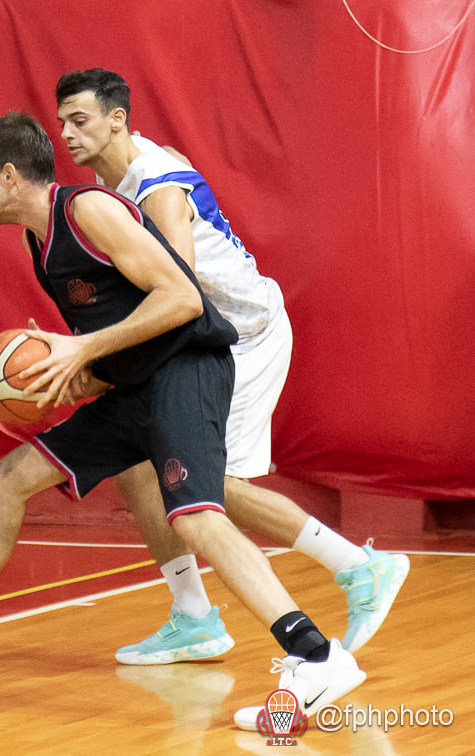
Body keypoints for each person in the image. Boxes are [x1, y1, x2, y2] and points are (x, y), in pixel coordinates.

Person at [0, 112, 366, 730]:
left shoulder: (88, 211)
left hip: (189, 369)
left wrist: (84, 351)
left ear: (12, 175)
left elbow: (182, 299)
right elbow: (107, 338)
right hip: (135, 383)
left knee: (198, 517)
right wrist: (69, 372)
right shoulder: (37, 242)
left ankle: (316, 656)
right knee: (10, 478)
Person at [53, 68, 409, 666]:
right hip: (200, 342)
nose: (65, 132)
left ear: (117, 120)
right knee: (139, 466)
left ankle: (361, 566)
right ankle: (193, 616)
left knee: (208, 487)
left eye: (79, 120)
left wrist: (94, 356)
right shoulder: (124, 170)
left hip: (239, 337)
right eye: (61, 121)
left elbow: (180, 296)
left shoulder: (158, 192)